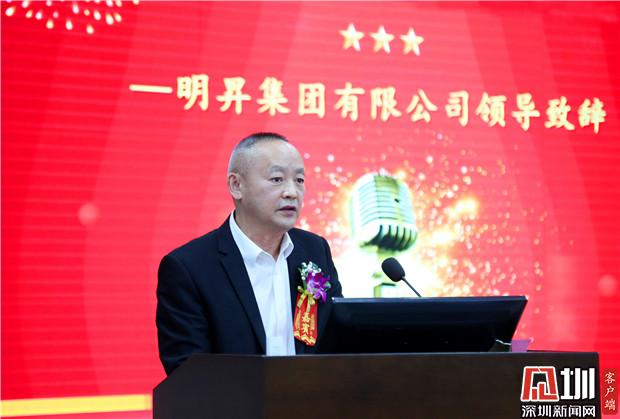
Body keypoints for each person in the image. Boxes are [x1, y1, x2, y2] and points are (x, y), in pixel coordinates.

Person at [156, 132, 343, 375]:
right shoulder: (189, 268)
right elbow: (188, 373)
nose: (292, 192)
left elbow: (338, 341)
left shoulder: (315, 250)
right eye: (277, 179)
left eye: (299, 180)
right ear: (236, 185)